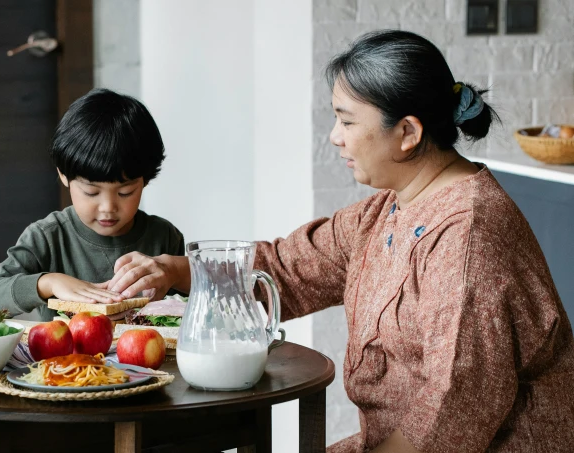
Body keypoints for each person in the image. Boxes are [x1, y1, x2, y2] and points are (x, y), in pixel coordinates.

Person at [104, 30, 574, 452]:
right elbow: (288, 268)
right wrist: (178, 271)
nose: (335, 137)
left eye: (347, 121)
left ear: (407, 132)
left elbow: (450, 416)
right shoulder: (387, 209)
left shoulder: (468, 237)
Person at [0, 88, 185, 321]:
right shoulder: (48, 237)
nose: (107, 206)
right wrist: (48, 282)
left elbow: (194, 307)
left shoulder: (163, 237)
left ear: (145, 180)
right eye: (91, 192)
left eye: (125, 192)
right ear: (64, 176)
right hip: (65, 358)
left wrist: (176, 269)